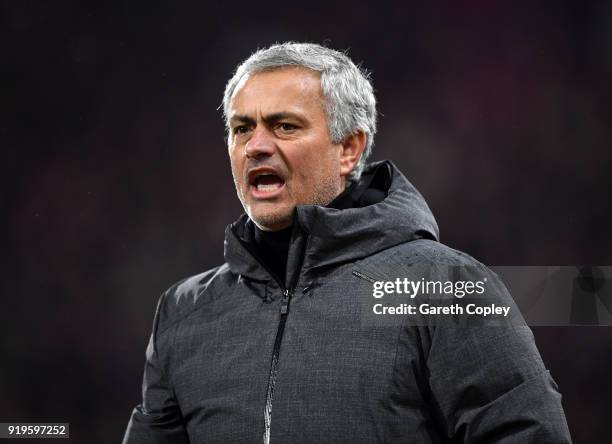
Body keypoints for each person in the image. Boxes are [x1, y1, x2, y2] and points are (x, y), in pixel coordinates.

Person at [123, 42, 571, 443]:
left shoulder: (443, 286)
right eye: (241, 128)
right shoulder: (183, 312)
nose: (255, 145)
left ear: (350, 148)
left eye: (284, 127)